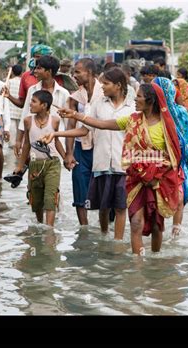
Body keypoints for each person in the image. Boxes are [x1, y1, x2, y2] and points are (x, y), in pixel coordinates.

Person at [51, 83, 182, 254]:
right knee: (135, 223)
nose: (135, 98)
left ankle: (155, 262)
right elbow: (103, 124)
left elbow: (173, 155)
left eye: (140, 96)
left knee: (157, 226)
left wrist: (155, 175)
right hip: (136, 180)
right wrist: (75, 115)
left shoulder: (165, 125)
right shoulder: (133, 120)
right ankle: (137, 264)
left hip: (158, 181)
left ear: (150, 101)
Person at [42, 68, 135, 239]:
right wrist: (57, 134)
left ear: (119, 85)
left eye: (106, 84)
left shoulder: (133, 107)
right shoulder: (98, 104)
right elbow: (84, 130)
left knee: (121, 206)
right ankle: (104, 236)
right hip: (101, 161)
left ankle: (118, 242)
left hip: (124, 164)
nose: (102, 87)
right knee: (103, 206)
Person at [153, 77, 188, 237]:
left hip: (179, 162)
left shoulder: (180, 112)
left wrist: (184, 160)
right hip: (157, 163)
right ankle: (162, 232)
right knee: (161, 198)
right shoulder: (151, 114)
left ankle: (175, 232)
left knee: (179, 197)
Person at [14, 90, 63, 227]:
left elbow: (57, 141)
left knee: (50, 198)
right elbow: (27, 145)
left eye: (34, 101)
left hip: (52, 163)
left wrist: (66, 157)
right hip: (34, 165)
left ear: (44, 105)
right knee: (36, 201)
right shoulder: (28, 121)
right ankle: (40, 225)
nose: (30, 104)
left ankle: (49, 230)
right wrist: (20, 166)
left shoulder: (55, 121)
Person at [65, 58, 103, 226]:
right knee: (80, 188)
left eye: (78, 72)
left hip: (103, 147)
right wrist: (69, 153)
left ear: (90, 73)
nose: (74, 75)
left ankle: (105, 229)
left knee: (105, 189)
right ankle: (84, 229)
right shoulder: (75, 97)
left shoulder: (105, 93)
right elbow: (71, 125)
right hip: (82, 147)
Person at [11, 55, 69, 159]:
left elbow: (68, 123)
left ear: (49, 71)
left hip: (55, 145)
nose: (34, 71)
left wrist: (68, 153)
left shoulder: (64, 93)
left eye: (39, 68)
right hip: (34, 142)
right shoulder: (32, 90)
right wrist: (18, 140)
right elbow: (25, 115)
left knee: (53, 172)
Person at [4, 45, 62, 109]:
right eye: (35, 57)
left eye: (38, 57)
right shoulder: (26, 76)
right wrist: (9, 96)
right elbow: (23, 103)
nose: (36, 60)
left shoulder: (59, 78)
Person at [8, 64, 23, 147]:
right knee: (19, 133)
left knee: (12, 138)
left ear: (12, 72)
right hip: (20, 111)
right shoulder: (23, 82)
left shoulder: (9, 82)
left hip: (11, 112)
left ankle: (12, 147)